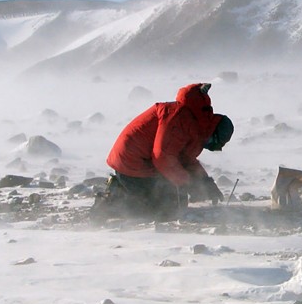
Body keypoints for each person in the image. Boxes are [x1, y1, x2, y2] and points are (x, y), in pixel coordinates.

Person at [93, 83, 233, 221]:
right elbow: (162, 157)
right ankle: (111, 202)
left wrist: (205, 183)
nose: (208, 146)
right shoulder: (179, 118)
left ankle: (123, 189)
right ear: (212, 131)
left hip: (145, 162)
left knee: (176, 203)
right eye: (212, 143)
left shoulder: (195, 126)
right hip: (132, 163)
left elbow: (186, 160)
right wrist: (187, 183)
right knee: (161, 212)